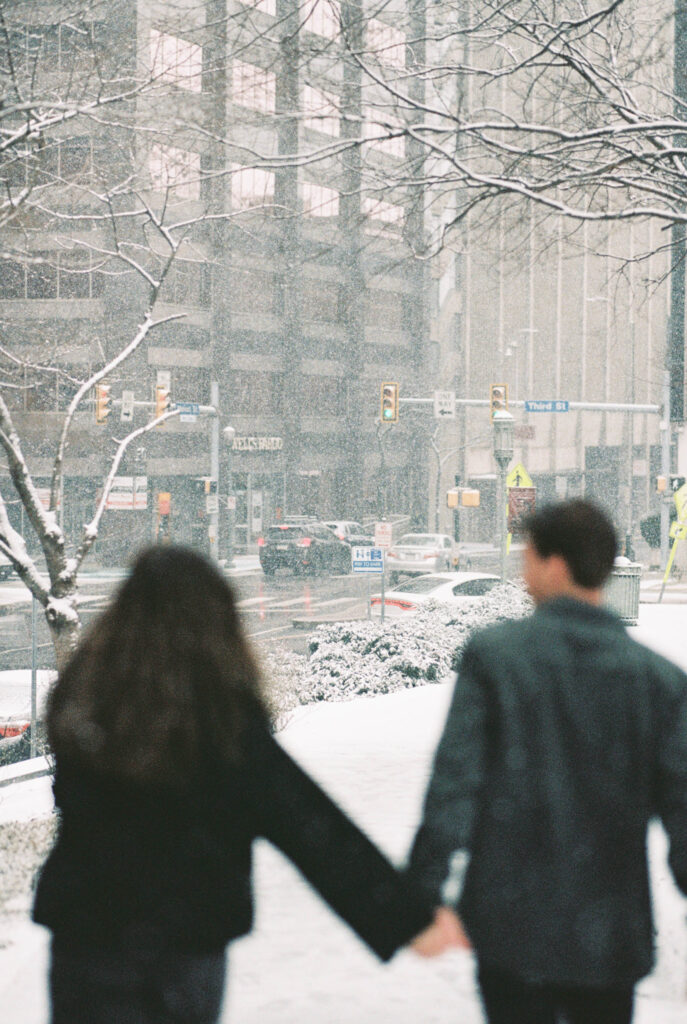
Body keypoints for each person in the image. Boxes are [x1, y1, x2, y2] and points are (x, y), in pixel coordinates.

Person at [33, 545, 458, 1024]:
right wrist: (403, 918)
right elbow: (307, 822)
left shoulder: (82, 695)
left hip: (86, 935)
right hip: (187, 939)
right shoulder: (218, 716)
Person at [408, 499, 687, 1024]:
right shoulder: (658, 681)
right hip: (610, 932)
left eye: (528, 556)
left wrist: (419, 896)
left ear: (554, 564)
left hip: (511, 929)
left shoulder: (496, 658)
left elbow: (455, 786)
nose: (523, 570)